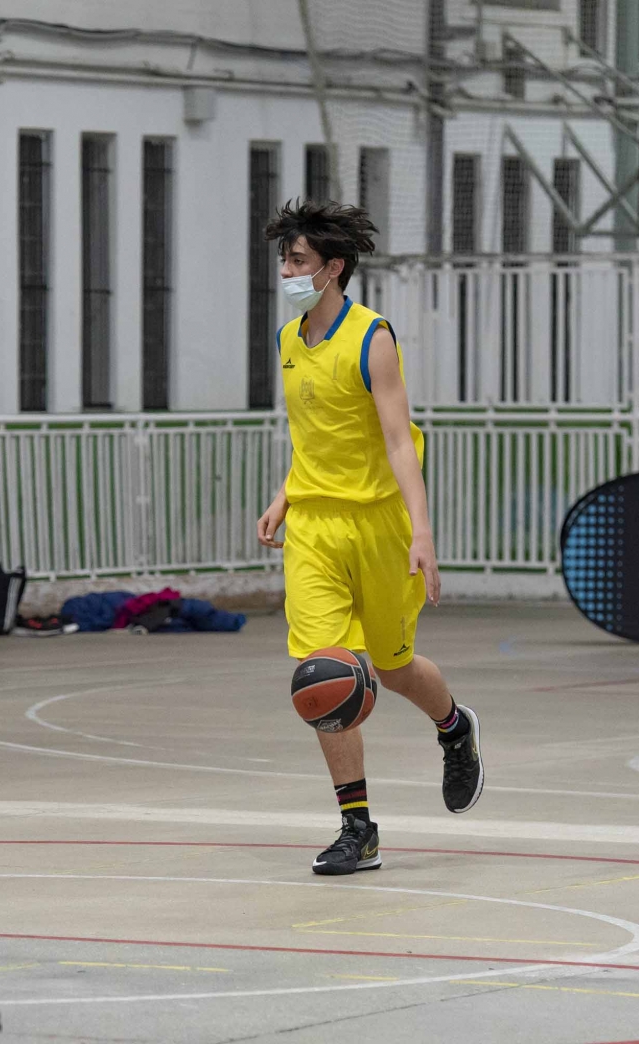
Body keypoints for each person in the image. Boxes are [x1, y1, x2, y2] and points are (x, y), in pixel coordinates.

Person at [256, 199, 484, 876]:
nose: (287, 271)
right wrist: (285, 496)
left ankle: (455, 728)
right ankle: (357, 828)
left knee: (391, 666)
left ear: (332, 268)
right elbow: (314, 435)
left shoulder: (371, 337)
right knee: (325, 671)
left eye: (298, 260)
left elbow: (396, 441)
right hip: (315, 527)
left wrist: (422, 532)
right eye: (284, 259)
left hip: (379, 523)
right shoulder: (288, 339)